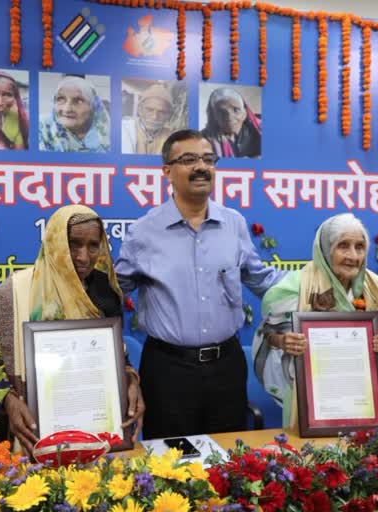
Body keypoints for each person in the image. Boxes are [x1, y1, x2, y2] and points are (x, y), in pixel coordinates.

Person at [116, 129, 283, 439]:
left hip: (226, 367)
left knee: (226, 464)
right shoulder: (144, 232)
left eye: (208, 159)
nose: (201, 167)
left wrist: (316, 283)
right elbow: (113, 293)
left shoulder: (233, 224)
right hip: (168, 370)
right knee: (169, 466)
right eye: (189, 159)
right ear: (166, 170)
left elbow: (261, 279)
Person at [0, 205, 145, 456]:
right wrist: (8, 400)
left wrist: (129, 380)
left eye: (93, 245)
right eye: (73, 244)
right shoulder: (17, 292)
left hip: (96, 427)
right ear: (53, 242)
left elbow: (117, 355)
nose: (84, 257)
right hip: (34, 432)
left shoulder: (105, 292)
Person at [252, 214, 378, 431]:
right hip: (312, 397)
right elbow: (268, 335)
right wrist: (284, 341)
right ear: (325, 249)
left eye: (360, 247)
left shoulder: (373, 286)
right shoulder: (295, 287)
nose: (353, 255)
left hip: (363, 395)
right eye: (343, 246)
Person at [40, 75, 110, 153]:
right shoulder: (42, 130)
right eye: (61, 99)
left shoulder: (111, 136)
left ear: (93, 106)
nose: (67, 109)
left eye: (78, 101)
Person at [201, 87, 262, 159]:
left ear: (244, 114)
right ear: (214, 116)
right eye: (221, 112)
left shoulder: (260, 130)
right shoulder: (203, 139)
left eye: (236, 110)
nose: (229, 117)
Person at [122, 83, 175, 155]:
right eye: (149, 110)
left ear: (169, 115)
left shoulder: (172, 137)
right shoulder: (124, 129)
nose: (155, 116)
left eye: (162, 112)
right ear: (140, 110)